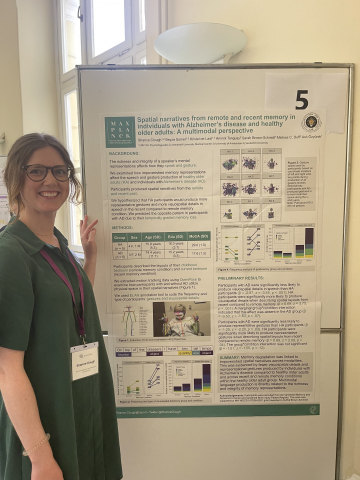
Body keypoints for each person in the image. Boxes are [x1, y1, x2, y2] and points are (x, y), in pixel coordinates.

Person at [0, 133, 122, 480]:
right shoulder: (10, 255)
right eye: (36, 171)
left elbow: (71, 306)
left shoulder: (57, 244)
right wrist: (40, 457)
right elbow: (6, 369)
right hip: (44, 423)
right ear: (15, 177)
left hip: (80, 403)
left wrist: (91, 258)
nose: (51, 181)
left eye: (60, 171)